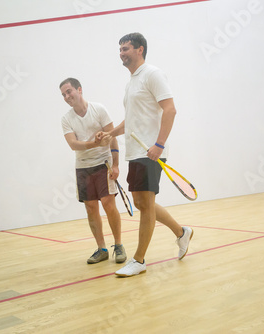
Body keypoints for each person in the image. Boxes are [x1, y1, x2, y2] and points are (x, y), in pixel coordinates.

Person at [97, 33, 193, 277]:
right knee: (141, 203)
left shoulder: (152, 74)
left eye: (126, 48)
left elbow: (170, 110)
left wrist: (159, 145)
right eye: (119, 49)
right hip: (135, 151)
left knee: (146, 204)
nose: (121, 52)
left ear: (140, 49)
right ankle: (182, 232)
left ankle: (139, 260)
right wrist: (111, 133)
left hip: (150, 152)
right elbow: (131, 120)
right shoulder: (131, 83)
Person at [59, 77, 127, 265]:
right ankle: (101, 248)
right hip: (83, 167)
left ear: (79, 90)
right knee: (91, 208)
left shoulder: (99, 109)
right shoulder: (66, 119)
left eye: (69, 91)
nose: (66, 96)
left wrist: (115, 165)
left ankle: (119, 245)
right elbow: (73, 144)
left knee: (108, 204)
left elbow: (112, 137)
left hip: (103, 164)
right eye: (63, 94)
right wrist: (94, 143)